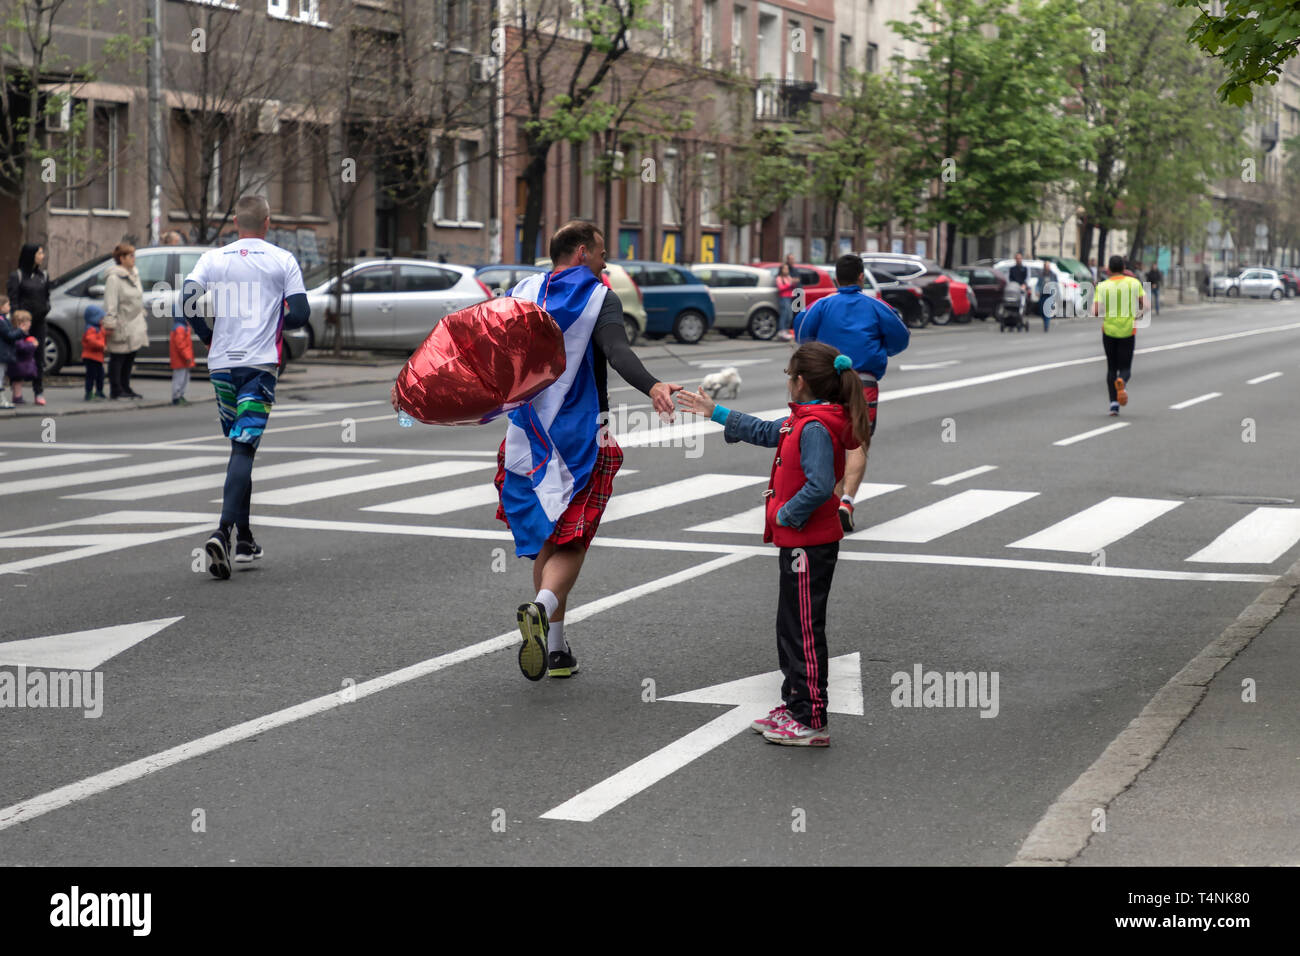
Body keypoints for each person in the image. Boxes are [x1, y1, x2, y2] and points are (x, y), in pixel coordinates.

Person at [493, 220, 682, 680]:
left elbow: (492, 353)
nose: (606, 262)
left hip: (528, 432)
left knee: (548, 536)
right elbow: (617, 353)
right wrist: (653, 385)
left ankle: (555, 650)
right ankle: (541, 608)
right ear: (581, 253)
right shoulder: (601, 297)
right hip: (582, 437)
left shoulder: (524, 289)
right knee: (573, 539)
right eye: (601, 253)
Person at [676, 342, 872, 746]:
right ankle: (795, 702)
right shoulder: (806, 420)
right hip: (802, 542)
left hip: (808, 543)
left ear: (800, 382)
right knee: (790, 625)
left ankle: (811, 717)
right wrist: (716, 412)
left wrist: (786, 514)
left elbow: (819, 485)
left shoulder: (816, 426)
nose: (787, 381)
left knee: (803, 629)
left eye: (788, 375)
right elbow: (768, 432)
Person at [181, 195, 311, 579]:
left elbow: (186, 303)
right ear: (267, 222)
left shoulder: (213, 258)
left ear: (235, 221)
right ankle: (222, 531)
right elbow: (301, 314)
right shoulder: (282, 259)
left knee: (241, 447)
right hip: (258, 366)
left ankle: (245, 540)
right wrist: (271, 322)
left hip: (221, 366)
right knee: (244, 447)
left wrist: (209, 333)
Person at [793, 254, 909, 531]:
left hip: (825, 382)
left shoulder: (820, 306)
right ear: (861, 277)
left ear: (835, 278)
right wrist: (881, 349)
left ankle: (831, 508)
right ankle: (846, 501)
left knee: (827, 442)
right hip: (863, 381)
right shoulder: (876, 306)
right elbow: (900, 338)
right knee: (858, 441)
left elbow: (803, 338)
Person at [1093, 254, 1144, 417]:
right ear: (1124, 268)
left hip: (1109, 331)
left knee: (1111, 368)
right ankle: (1122, 381)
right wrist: (1138, 314)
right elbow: (1146, 305)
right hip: (1128, 330)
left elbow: (1095, 311)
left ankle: (1113, 405)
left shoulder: (1102, 286)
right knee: (1125, 367)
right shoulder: (1133, 283)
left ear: (1108, 269)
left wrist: (1105, 313)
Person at [7, 243, 52, 406]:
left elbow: (47, 297)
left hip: (39, 322)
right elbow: (13, 300)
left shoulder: (44, 275)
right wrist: (18, 322)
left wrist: (46, 309)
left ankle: (38, 390)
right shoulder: (17, 276)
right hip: (21, 325)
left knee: (39, 356)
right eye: (40, 253)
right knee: (19, 356)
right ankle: (17, 392)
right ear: (31, 255)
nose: (42, 256)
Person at [102, 243, 148, 400]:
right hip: (122, 322)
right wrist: (110, 323)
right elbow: (111, 303)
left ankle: (126, 386)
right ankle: (116, 389)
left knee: (130, 356)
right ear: (121, 258)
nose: (134, 259)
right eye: (131, 256)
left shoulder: (134, 274)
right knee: (118, 356)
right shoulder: (114, 278)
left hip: (135, 323)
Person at [7, 311, 39, 404]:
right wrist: (32, 345)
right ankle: (17, 397)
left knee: (18, 381)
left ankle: (17, 396)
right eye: (28, 322)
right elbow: (21, 347)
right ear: (21, 324)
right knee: (17, 381)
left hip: (19, 362)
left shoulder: (18, 334)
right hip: (18, 362)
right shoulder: (18, 334)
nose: (30, 324)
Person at [0, 295, 23, 408]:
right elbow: (9, 335)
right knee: (0, 376)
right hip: (2, 354)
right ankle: (1, 400)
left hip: (3, 353)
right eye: (7, 304)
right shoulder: (1, 321)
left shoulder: (4, 319)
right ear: (1, 307)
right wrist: (20, 331)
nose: (9, 307)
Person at [81, 305, 107, 401]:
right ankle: (89, 392)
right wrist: (102, 346)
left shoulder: (99, 328)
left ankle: (99, 391)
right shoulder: (90, 329)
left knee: (100, 375)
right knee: (91, 376)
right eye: (101, 318)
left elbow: (103, 334)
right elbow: (91, 341)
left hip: (98, 358)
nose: (102, 320)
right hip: (90, 357)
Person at [170, 311, 194, 405]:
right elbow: (181, 345)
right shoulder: (180, 328)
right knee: (180, 379)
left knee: (183, 378)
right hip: (181, 359)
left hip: (182, 359)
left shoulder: (181, 327)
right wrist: (188, 357)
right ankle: (177, 397)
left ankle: (180, 396)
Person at [775, 263, 796, 340]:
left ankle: (786, 330)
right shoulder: (779, 278)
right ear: (781, 270)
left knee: (789, 315)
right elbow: (780, 288)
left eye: (787, 269)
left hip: (789, 297)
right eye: (785, 269)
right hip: (783, 298)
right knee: (784, 314)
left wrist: (793, 283)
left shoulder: (788, 277)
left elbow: (791, 286)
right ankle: (781, 330)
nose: (787, 270)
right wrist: (789, 284)